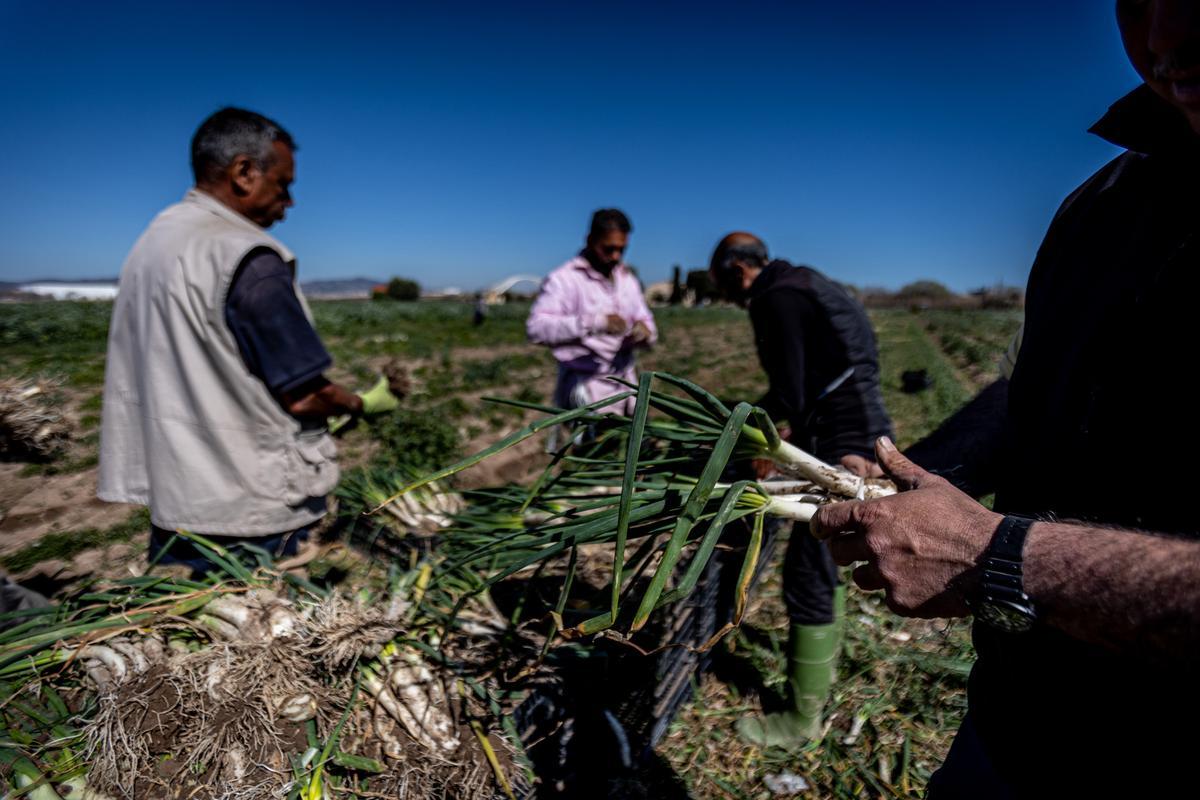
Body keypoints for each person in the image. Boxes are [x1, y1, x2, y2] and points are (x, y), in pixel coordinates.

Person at [811, 2, 1200, 795]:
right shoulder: (1103, 201)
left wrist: (1000, 559)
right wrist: (905, 473)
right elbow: (1041, 386)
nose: (1162, 37)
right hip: (1019, 723)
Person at [98, 107, 404, 576]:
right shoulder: (248, 258)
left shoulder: (153, 243)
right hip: (250, 509)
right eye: (284, 184)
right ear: (244, 172)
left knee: (199, 637)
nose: (290, 202)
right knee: (271, 638)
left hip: (179, 500)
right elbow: (305, 396)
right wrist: (362, 403)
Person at [708, 233, 893, 746]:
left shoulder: (775, 296)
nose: (727, 296)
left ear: (738, 269)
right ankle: (814, 693)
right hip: (854, 422)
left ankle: (800, 721)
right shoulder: (803, 280)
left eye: (724, 284)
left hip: (843, 434)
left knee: (809, 567)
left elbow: (790, 389)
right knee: (827, 557)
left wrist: (741, 427)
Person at [526, 209, 657, 417]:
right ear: (590, 240)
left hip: (627, 389)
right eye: (608, 248)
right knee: (592, 447)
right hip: (588, 393)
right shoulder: (565, 279)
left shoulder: (627, 280)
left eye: (622, 250)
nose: (616, 256)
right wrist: (596, 323)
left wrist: (644, 332)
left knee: (634, 447)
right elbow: (536, 329)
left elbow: (647, 322)